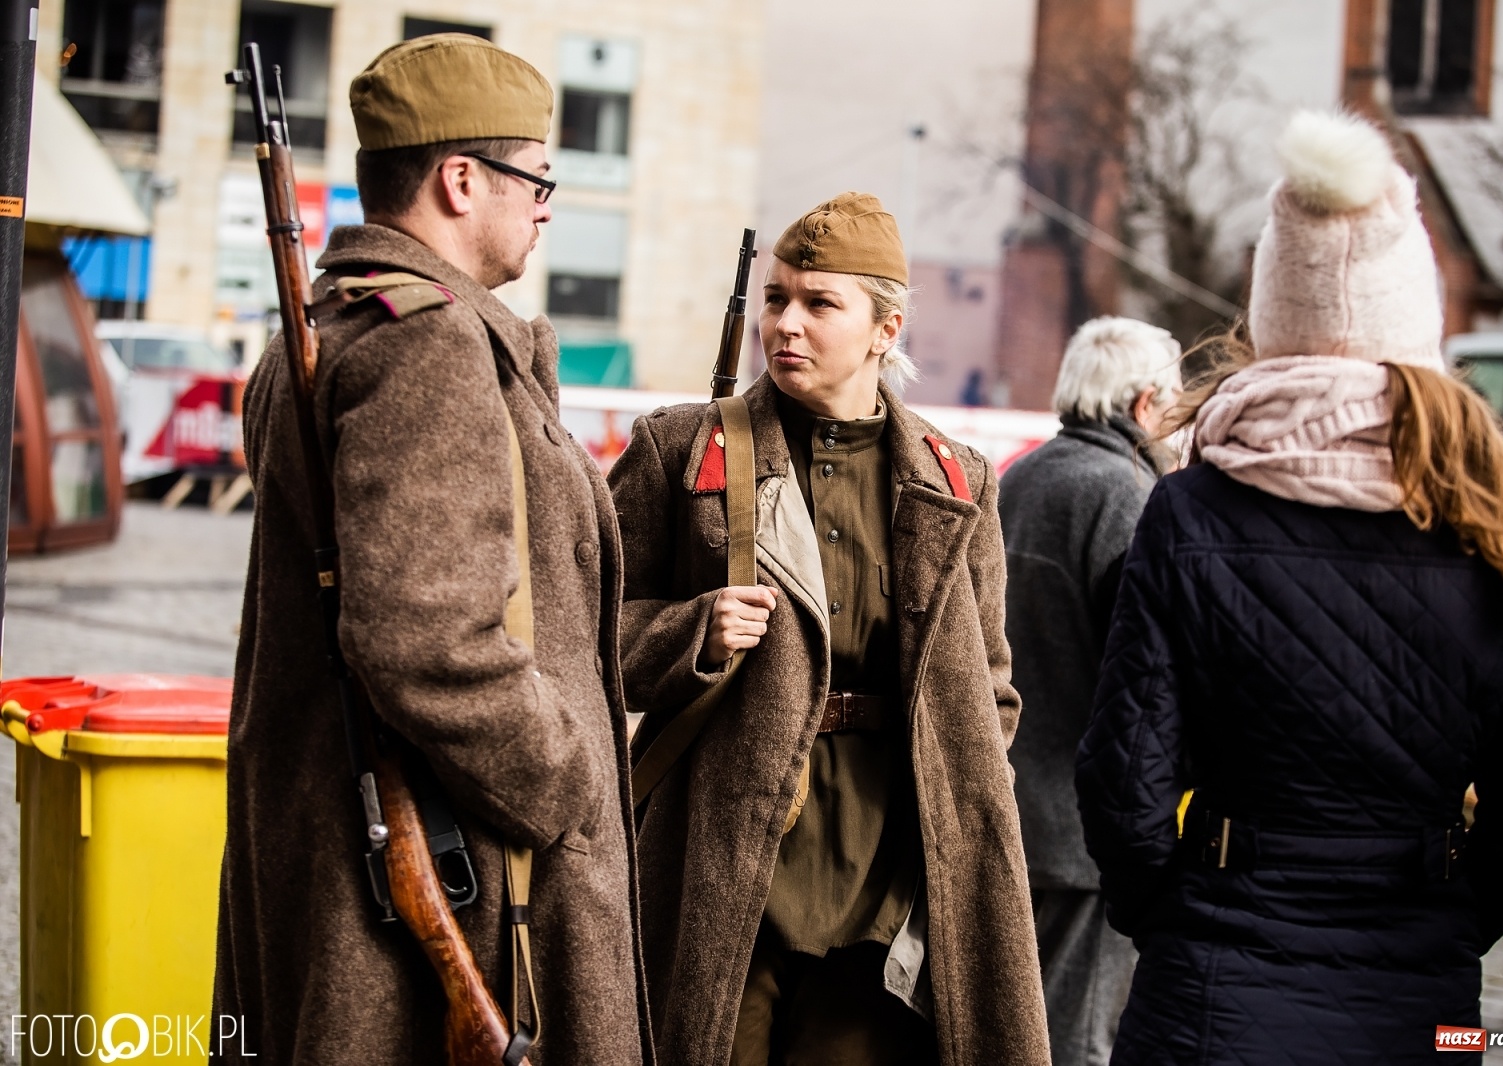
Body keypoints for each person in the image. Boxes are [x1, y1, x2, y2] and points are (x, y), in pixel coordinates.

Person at [1075, 110, 1503, 1065]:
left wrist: (1169, 916)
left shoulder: (1192, 509)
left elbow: (1124, 782)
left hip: (1214, 973)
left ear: (1273, 312)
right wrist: (1449, 923)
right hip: (1421, 986)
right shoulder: (1497, 522)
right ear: (1417, 324)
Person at [212, 35, 649, 1065]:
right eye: (535, 177)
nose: (545, 205)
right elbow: (428, 638)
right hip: (473, 876)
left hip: (372, 853)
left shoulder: (330, 328)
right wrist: (567, 780)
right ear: (461, 180)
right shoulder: (428, 340)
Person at [609, 192, 1050, 1066]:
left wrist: (959, 787)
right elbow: (582, 636)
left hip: (886, 876)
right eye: (776, 298)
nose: (786, 323)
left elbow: (991, 683)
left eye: (820, 303)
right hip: (723, 861)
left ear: (886, 329)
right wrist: (692, 634)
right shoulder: (681, 449)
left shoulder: (957, 477)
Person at [1000, 316, 1181, 1066]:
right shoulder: (1129, 495)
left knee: (1010, 1031)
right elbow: (1146, 684)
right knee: (1076, 1041)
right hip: (1085, 832)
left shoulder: (1019, 478)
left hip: (1009, 808)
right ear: (1143, 404)